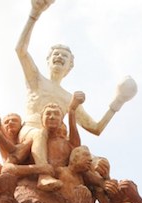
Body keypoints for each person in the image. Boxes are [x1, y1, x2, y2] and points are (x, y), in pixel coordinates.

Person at [15, 0, 135, 140]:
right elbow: (20, 50)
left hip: (54, 140)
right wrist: (34, 14)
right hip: (30, 134)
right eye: (56, 54)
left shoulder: (69, 99)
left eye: (64, 56)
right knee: (40, 136)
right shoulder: (36, 80)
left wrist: (119, 101)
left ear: (70, 66)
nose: (59, 57)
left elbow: (95, 128)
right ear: (48, 60)